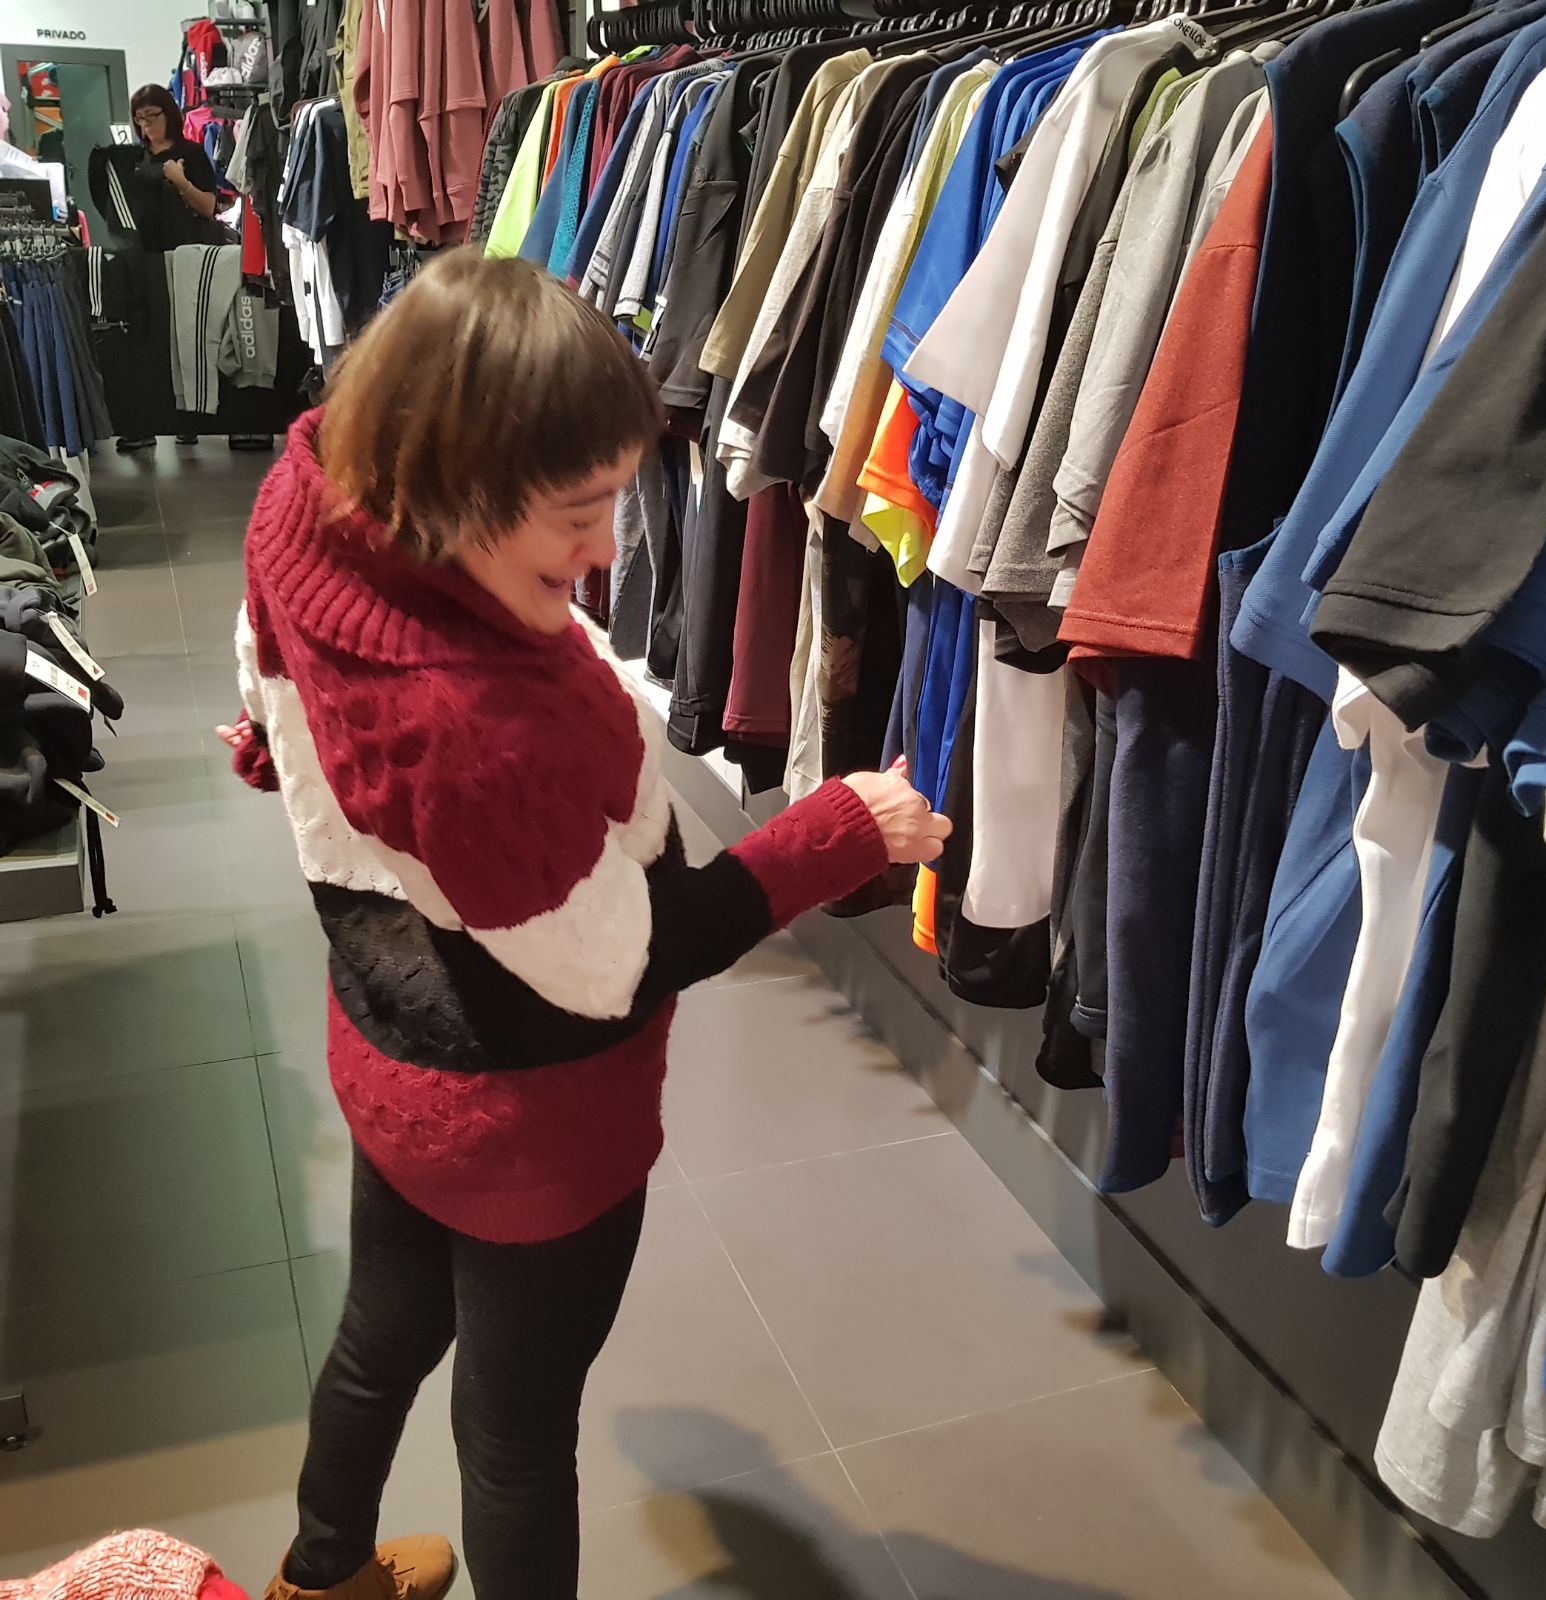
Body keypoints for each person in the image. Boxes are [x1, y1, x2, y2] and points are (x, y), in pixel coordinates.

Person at [218, 249, 950, 1600]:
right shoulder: (484, 731)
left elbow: (270, 697)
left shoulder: (307, 511)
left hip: (389, 1056)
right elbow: (619, 960)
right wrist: (842, 828)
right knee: (512, 1440)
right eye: (576, 514)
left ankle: (320, 1577)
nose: (610, 549)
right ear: (456, 491)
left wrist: (284, 757)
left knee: (380, 1337)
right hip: (529, 1124)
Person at [116, 84, 226, 453]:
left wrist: (180, 182)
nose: (146, 125)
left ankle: (189, 420)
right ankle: (150, 422)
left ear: (169, 114)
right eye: (139, 118)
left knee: (188, 338)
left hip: (186, 257)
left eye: (152, 115)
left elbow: (209, 206)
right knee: (151, 341)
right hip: (144, 258)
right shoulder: (134, 158)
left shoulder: (190, 153)